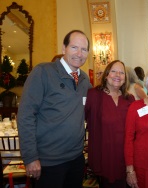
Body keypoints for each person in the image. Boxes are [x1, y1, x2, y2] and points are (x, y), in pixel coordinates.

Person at [17, 30, 92, 188]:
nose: (79, 53)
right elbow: (25, 115)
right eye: (74, 47)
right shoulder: (43, 72)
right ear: (63, 48)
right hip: (48, 162)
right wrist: (30, 157)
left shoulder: (85, 80)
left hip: (76, 159)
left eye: (84, 49)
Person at [85, 60, 135, 188]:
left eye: (121, 72)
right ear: (106, 75)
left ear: (125, 78)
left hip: (125, 158)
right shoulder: (93, 95)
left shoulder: (129, 99)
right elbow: (80, 119)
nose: (117, 75)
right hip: (104, 157)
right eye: (113, 71)